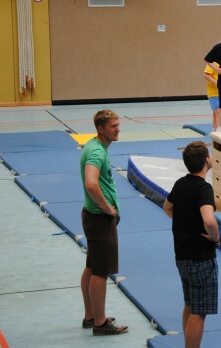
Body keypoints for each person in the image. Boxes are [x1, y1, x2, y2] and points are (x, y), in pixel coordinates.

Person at [163, 141, 220, 348]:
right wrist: (216, 239)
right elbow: (209, 220)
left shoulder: (180, 183)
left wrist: (184, 223)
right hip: (200, 258)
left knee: (190, 303)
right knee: (199, 311)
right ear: (206, 160)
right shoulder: (204, 188)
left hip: (182, 255)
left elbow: (167, 207)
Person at [80, 110, 129, 336]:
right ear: (101, 129)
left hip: (93, 217)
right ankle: (100, 323)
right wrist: (107, 208)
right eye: (113, 126)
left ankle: (91, 315)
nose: (118, 129)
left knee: (92, 267)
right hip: (100, 220)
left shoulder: (94, 145)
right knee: (100, 272)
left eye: (118, 125)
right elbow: (91, 184)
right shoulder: (96, 152)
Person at [203, 63, 220, 135]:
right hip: (214, 93)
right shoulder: (213, 63)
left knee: (216, 113)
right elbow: (206, 75)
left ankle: (215, 130)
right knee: (218, 113)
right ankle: (220, 131)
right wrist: (217, 83)